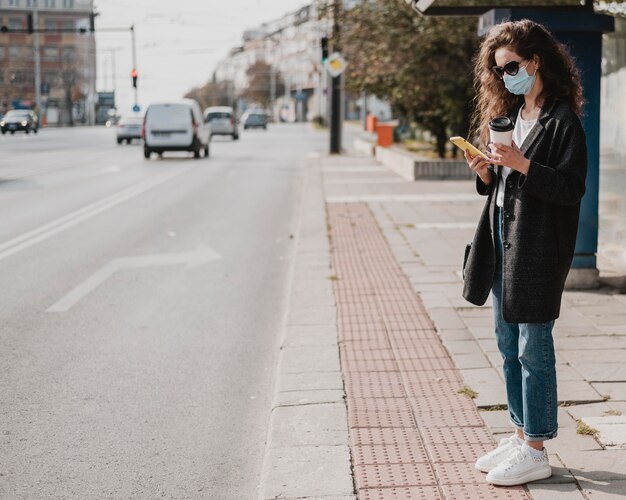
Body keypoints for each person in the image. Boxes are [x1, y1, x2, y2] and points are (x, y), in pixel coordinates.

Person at [462, 19, 587, 486]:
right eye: (498, 70)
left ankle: (536, 448)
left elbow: (571, 188)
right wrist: (487, 172)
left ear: (535, 62)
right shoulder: (510, 116)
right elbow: (503, 185)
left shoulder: (561, 121)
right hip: (500, 239)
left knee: (533, 348)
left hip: (536, 248)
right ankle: (518, 435)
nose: (505, 76)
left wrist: (522, 163)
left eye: (511, 66)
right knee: (505, 345)